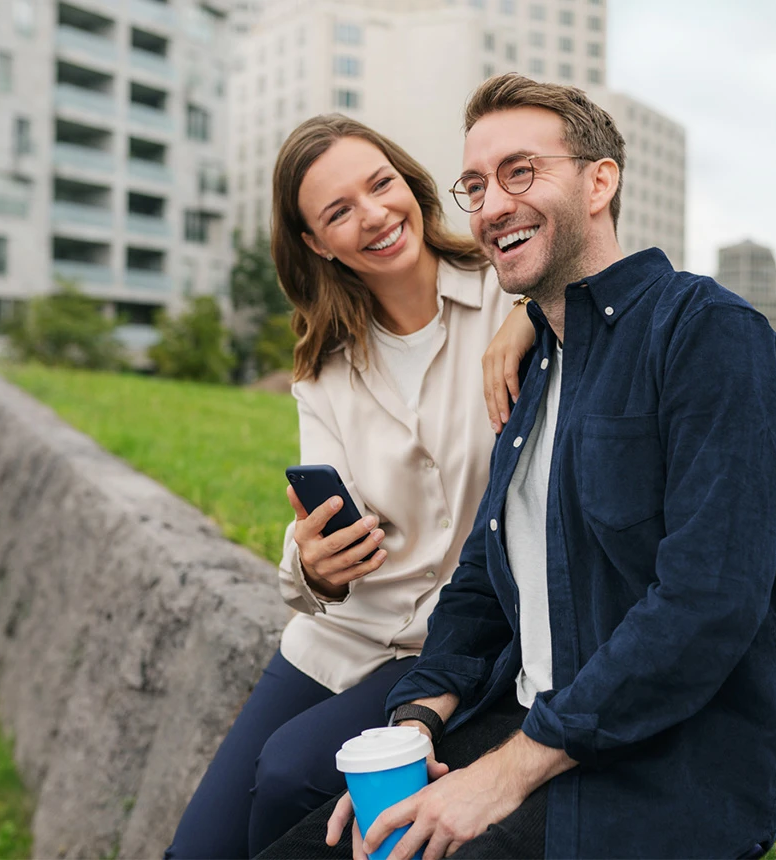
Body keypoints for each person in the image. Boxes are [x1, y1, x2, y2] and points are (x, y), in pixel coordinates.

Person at [261, 74, 776, 860]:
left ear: (600, 181)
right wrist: (417, 720)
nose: (492, 206)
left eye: (520, 172)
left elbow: (707, 605)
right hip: (526, 723)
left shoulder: (710, 336)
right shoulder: (539, 366)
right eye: (476, 186)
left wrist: (503, 774)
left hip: (659, 773)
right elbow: (482, 582)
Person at [163, 116, 537, 859]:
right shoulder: (324, 366)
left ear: (410, 184)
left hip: (452, 642)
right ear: (315, 243)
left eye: (380, 185)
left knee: (287, 776)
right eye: (338, 211)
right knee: (197, 848)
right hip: (340, 636)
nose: (373, 215)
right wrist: (312, 564)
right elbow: (321, 542)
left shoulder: (509, 294)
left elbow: (594, 282)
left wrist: (529, 314)